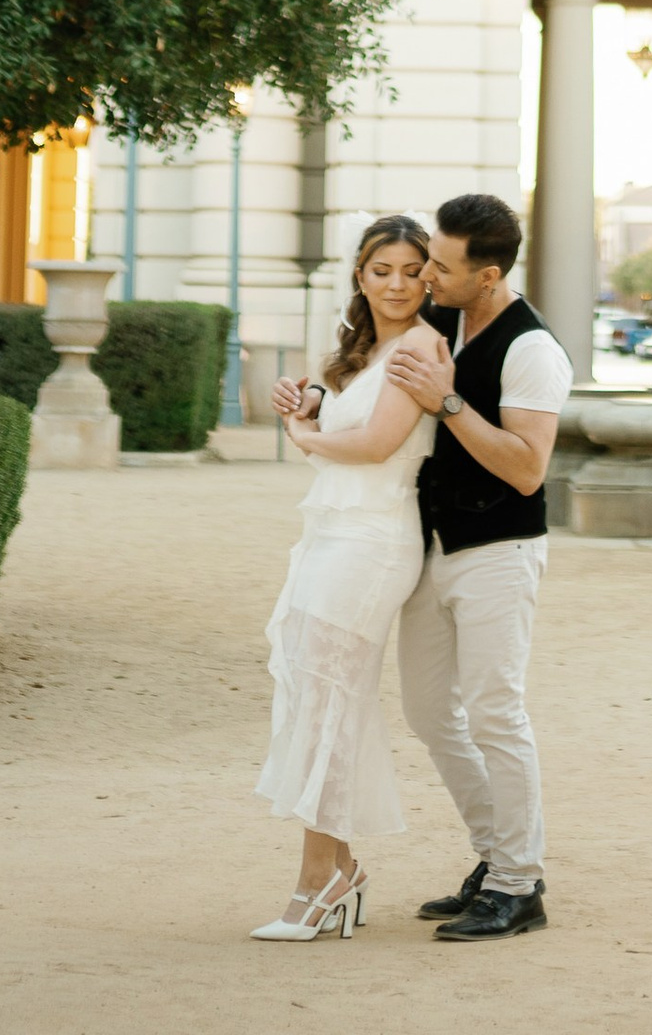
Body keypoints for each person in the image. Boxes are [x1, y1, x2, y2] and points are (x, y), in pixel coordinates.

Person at [383, 191, 574, 943]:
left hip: (500, 550)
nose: (426, 273)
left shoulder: (533, 350)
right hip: (430, 548)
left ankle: (519, 884)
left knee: (496, 713)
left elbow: (527, 470)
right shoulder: (442, 317)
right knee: (429, 710)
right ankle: (496, 858)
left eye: (441, 264)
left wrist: (451, 402)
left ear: (488, 274)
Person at [252, 213, 437, 943]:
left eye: (411, 270)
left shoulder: (422, 345)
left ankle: (317, 882)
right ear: (360, 276)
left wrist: (304, 433)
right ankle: (343, 872)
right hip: (331, 533)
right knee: (319, 695)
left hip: (374, 541)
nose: (396, 283)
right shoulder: (363, 351)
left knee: (328, 698)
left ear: (430, 276)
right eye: (381, 270)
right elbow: (341, 436)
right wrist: (310, 408)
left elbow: (378, 443)